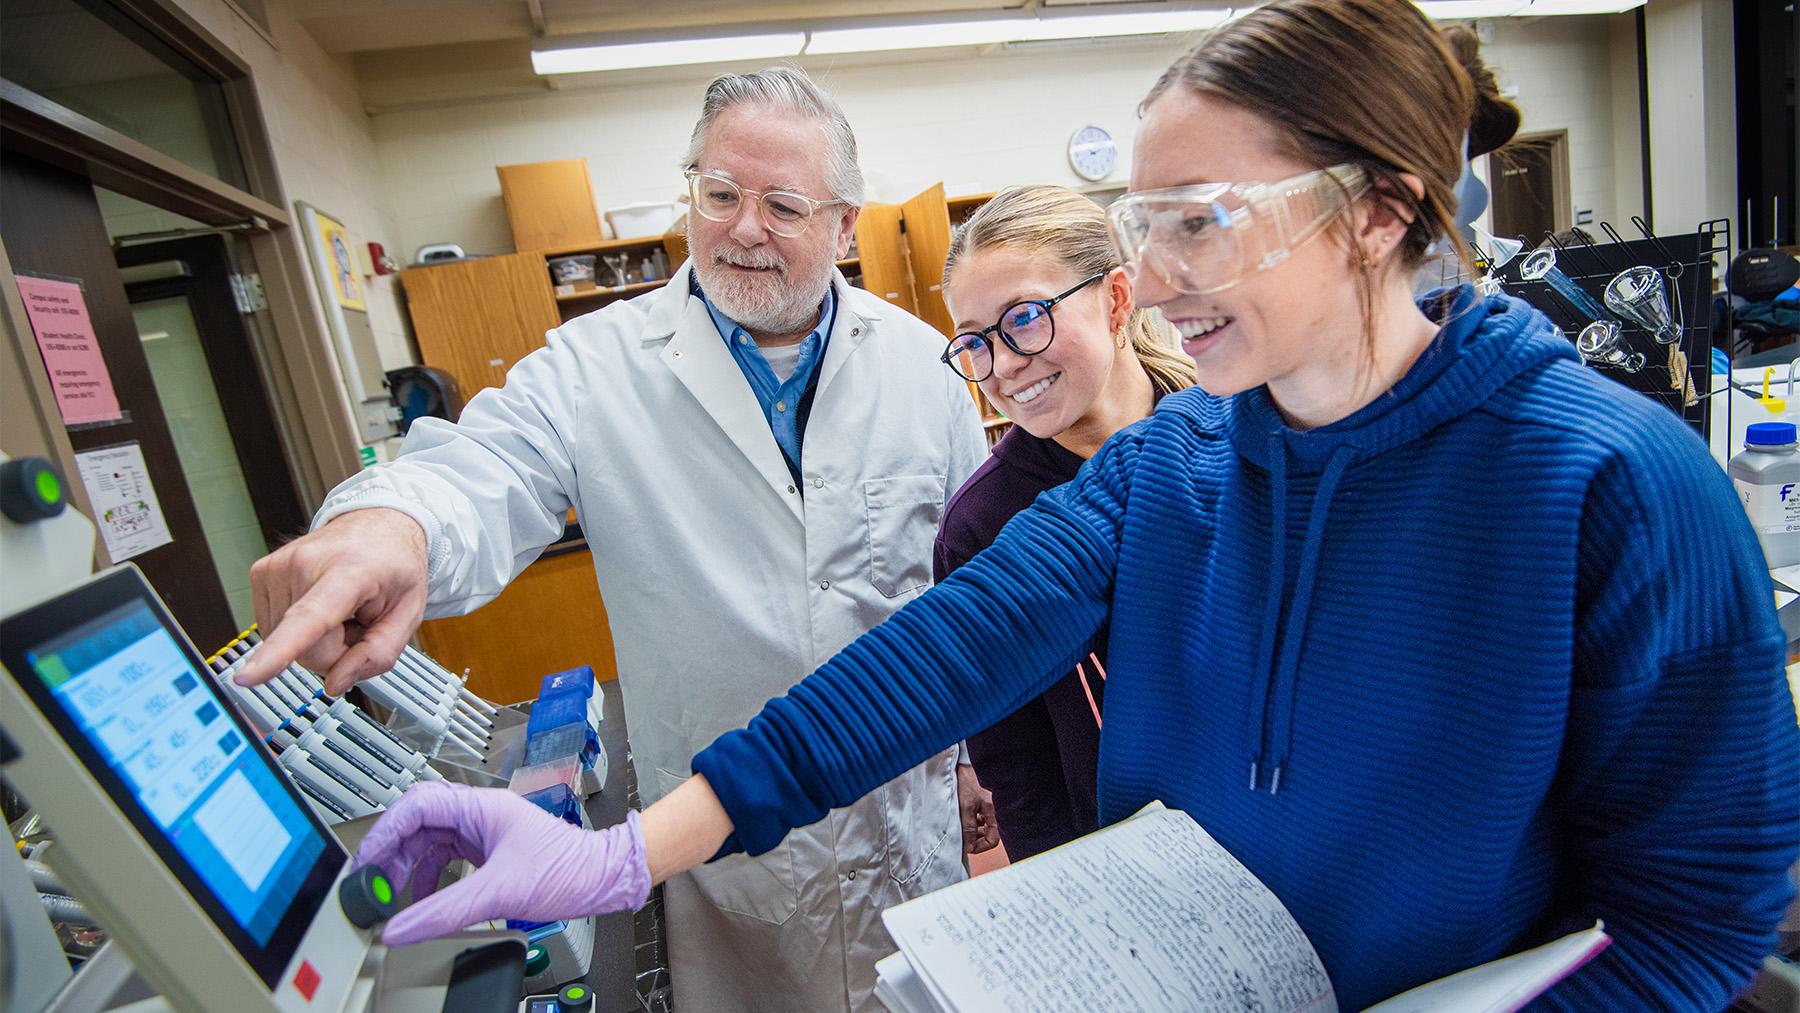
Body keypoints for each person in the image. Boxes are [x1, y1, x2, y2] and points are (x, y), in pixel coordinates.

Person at [352, 2, 1800, 1008]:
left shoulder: (1609, 483)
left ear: (1379, 208)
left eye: (1200, 222)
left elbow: (1698, 919)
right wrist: (621, 852)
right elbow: (932, 661)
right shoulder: (1172, 471)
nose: (1156, 279)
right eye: (1141, 228)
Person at [237, 67, 992, 1012]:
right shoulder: (596, 368)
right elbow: (484, 469)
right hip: (722, 850)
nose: (742, 227)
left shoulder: (925, 366)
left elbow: (971, 592)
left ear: (846, 227)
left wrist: (969, 760)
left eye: (783, 204)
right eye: (718, 194)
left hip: (903, 824)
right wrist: (394, 521)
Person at [933, 185, 1194, 860]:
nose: (1004, 365)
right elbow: (1015, 764)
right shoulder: (984, 524)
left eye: (1024, 317)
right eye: (975, 341)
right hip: (1122, 857)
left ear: (1115, 298)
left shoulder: (1228, 430)